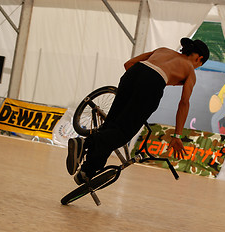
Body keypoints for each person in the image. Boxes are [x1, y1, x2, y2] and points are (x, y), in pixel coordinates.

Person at [67, 37, 209, 185]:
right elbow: (184, 103)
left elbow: (128, 64)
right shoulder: (190, 71)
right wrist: (177, 135)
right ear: (199, 58)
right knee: (123, 132)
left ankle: (87, 171)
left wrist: (137, 87)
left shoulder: (163, 50)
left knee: (111, 126)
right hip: (152, 83)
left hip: (134, 73)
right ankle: (85, 143)